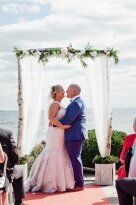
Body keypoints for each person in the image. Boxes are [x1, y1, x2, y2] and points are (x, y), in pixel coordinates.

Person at [24, 85, 75, 193]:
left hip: (59, 132)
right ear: (56, 92)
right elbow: (50, 118)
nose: (64, 92)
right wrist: (62, 127)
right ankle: (47, 182)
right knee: (52, 153)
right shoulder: (55, 104)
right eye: (62, 90)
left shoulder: (61, 104)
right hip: (56, 131)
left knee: (61, 153)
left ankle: (60, 181)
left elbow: (52, 120)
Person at [59, 84, 88, 191]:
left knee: (75, 159)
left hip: (74, 135)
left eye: (68, 89)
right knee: (75, 158)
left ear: (74, 91)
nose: (66, 91)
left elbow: (68, 120)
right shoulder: (77, 102)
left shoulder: (76, 103)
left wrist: (53, 122)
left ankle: (80, 184)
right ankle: (77, 182)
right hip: (75, 135)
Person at [0, 128, 25, 205]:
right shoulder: (6, 133)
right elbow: (14, 155)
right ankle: (18, 202)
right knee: (19, 169)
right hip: (3, 173)